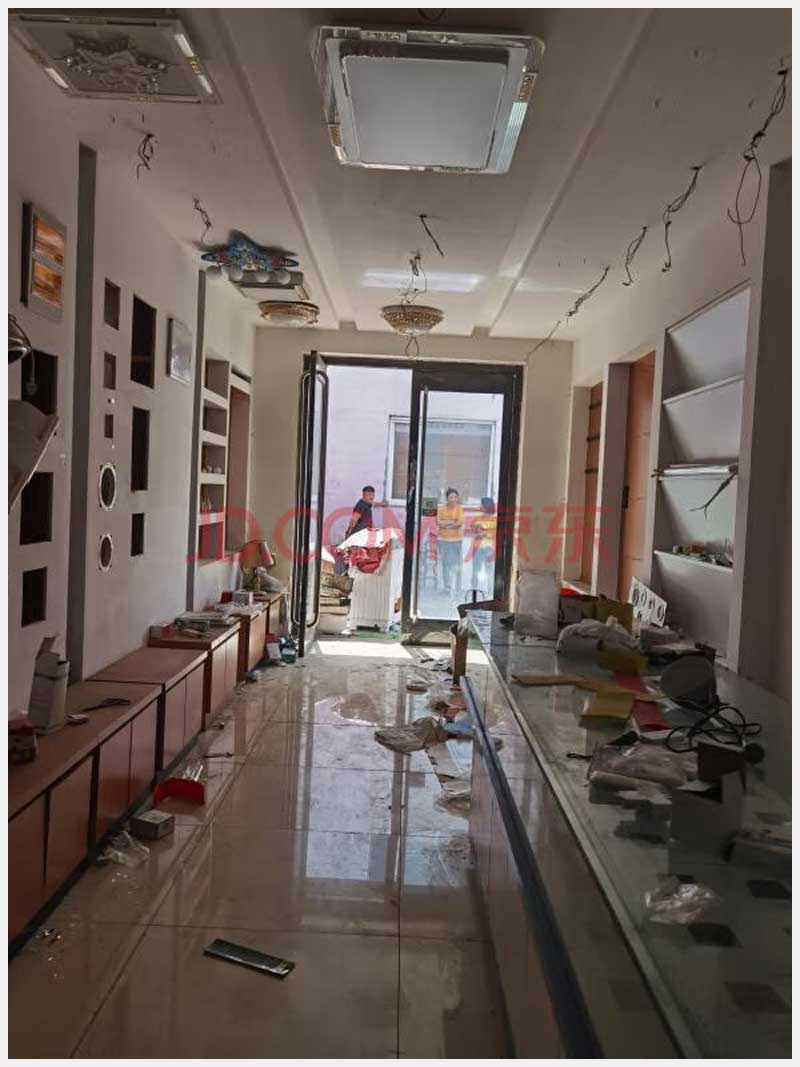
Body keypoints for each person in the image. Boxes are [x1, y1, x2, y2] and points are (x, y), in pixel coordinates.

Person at [437, 487, 464, 596]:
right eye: (451, 497)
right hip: (443, 540)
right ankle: (447, 588)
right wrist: (452, 522)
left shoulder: (459, 509)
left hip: (456, 540)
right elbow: (439, 522)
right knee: (445, 564)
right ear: (447, 498)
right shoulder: (441, 508)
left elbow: (459, 523)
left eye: (455, 497)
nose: (453, 499)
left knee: (456, 564)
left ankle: (457, 588)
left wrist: (446, 524)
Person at [470, 497, 497, 594]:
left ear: (486, 506)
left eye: (481, 505)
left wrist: (485, 534)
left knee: (490, 571)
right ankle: (474, 591)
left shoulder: (495, 520)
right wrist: (479, 534)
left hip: (490, 549)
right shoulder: (477, 519)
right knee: (475, 570)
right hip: (477, 548)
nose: (480, 506)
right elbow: (473, 532)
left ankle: (491, 592)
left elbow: (495, 534)